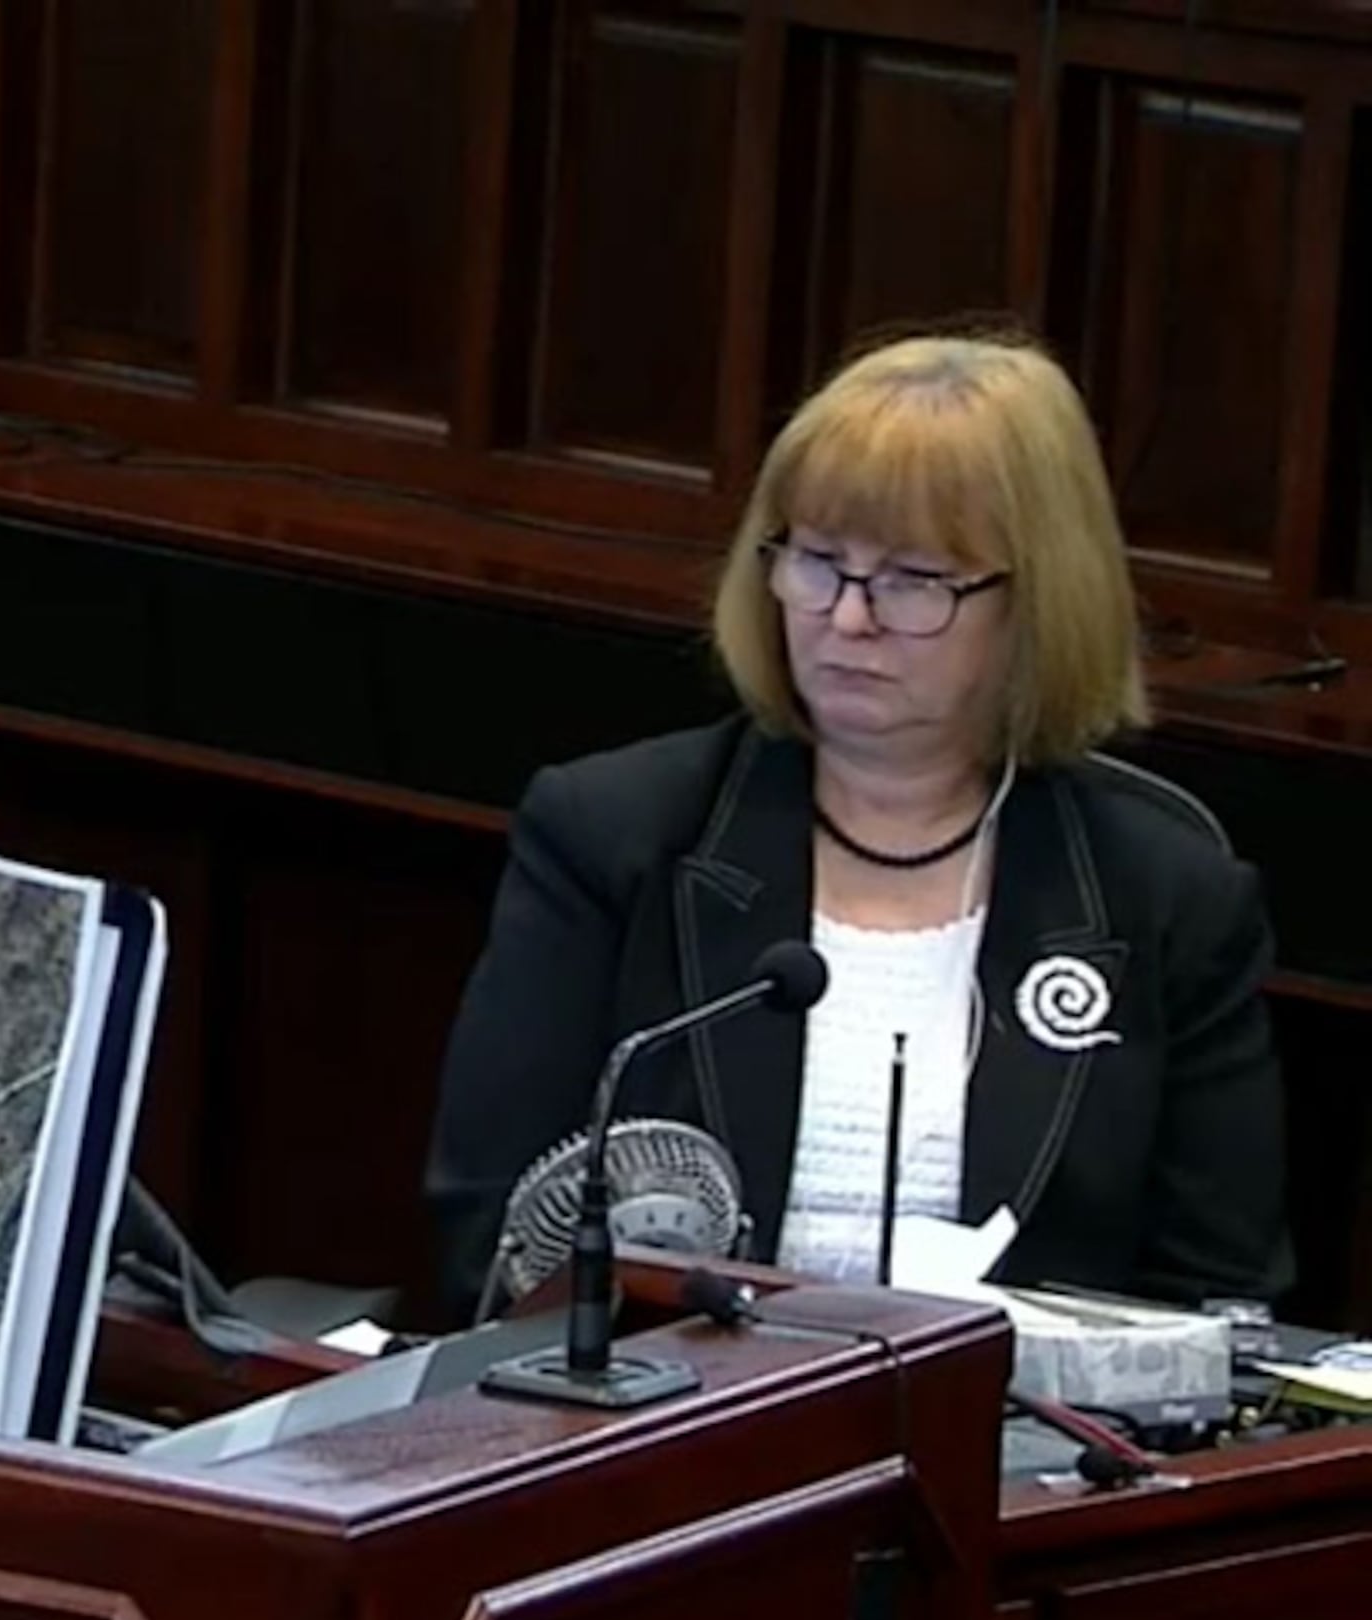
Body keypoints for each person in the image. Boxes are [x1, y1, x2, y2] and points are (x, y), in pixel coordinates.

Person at [424, 330, 1289, 1320]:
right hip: (667, 1433)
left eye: (915, 579)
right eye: (818, 562)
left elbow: (1220, 1305)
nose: (847, 619)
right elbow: (490, 1237)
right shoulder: (613, 836)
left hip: (1018, 1456)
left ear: (1038, 599)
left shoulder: (1167, 901)